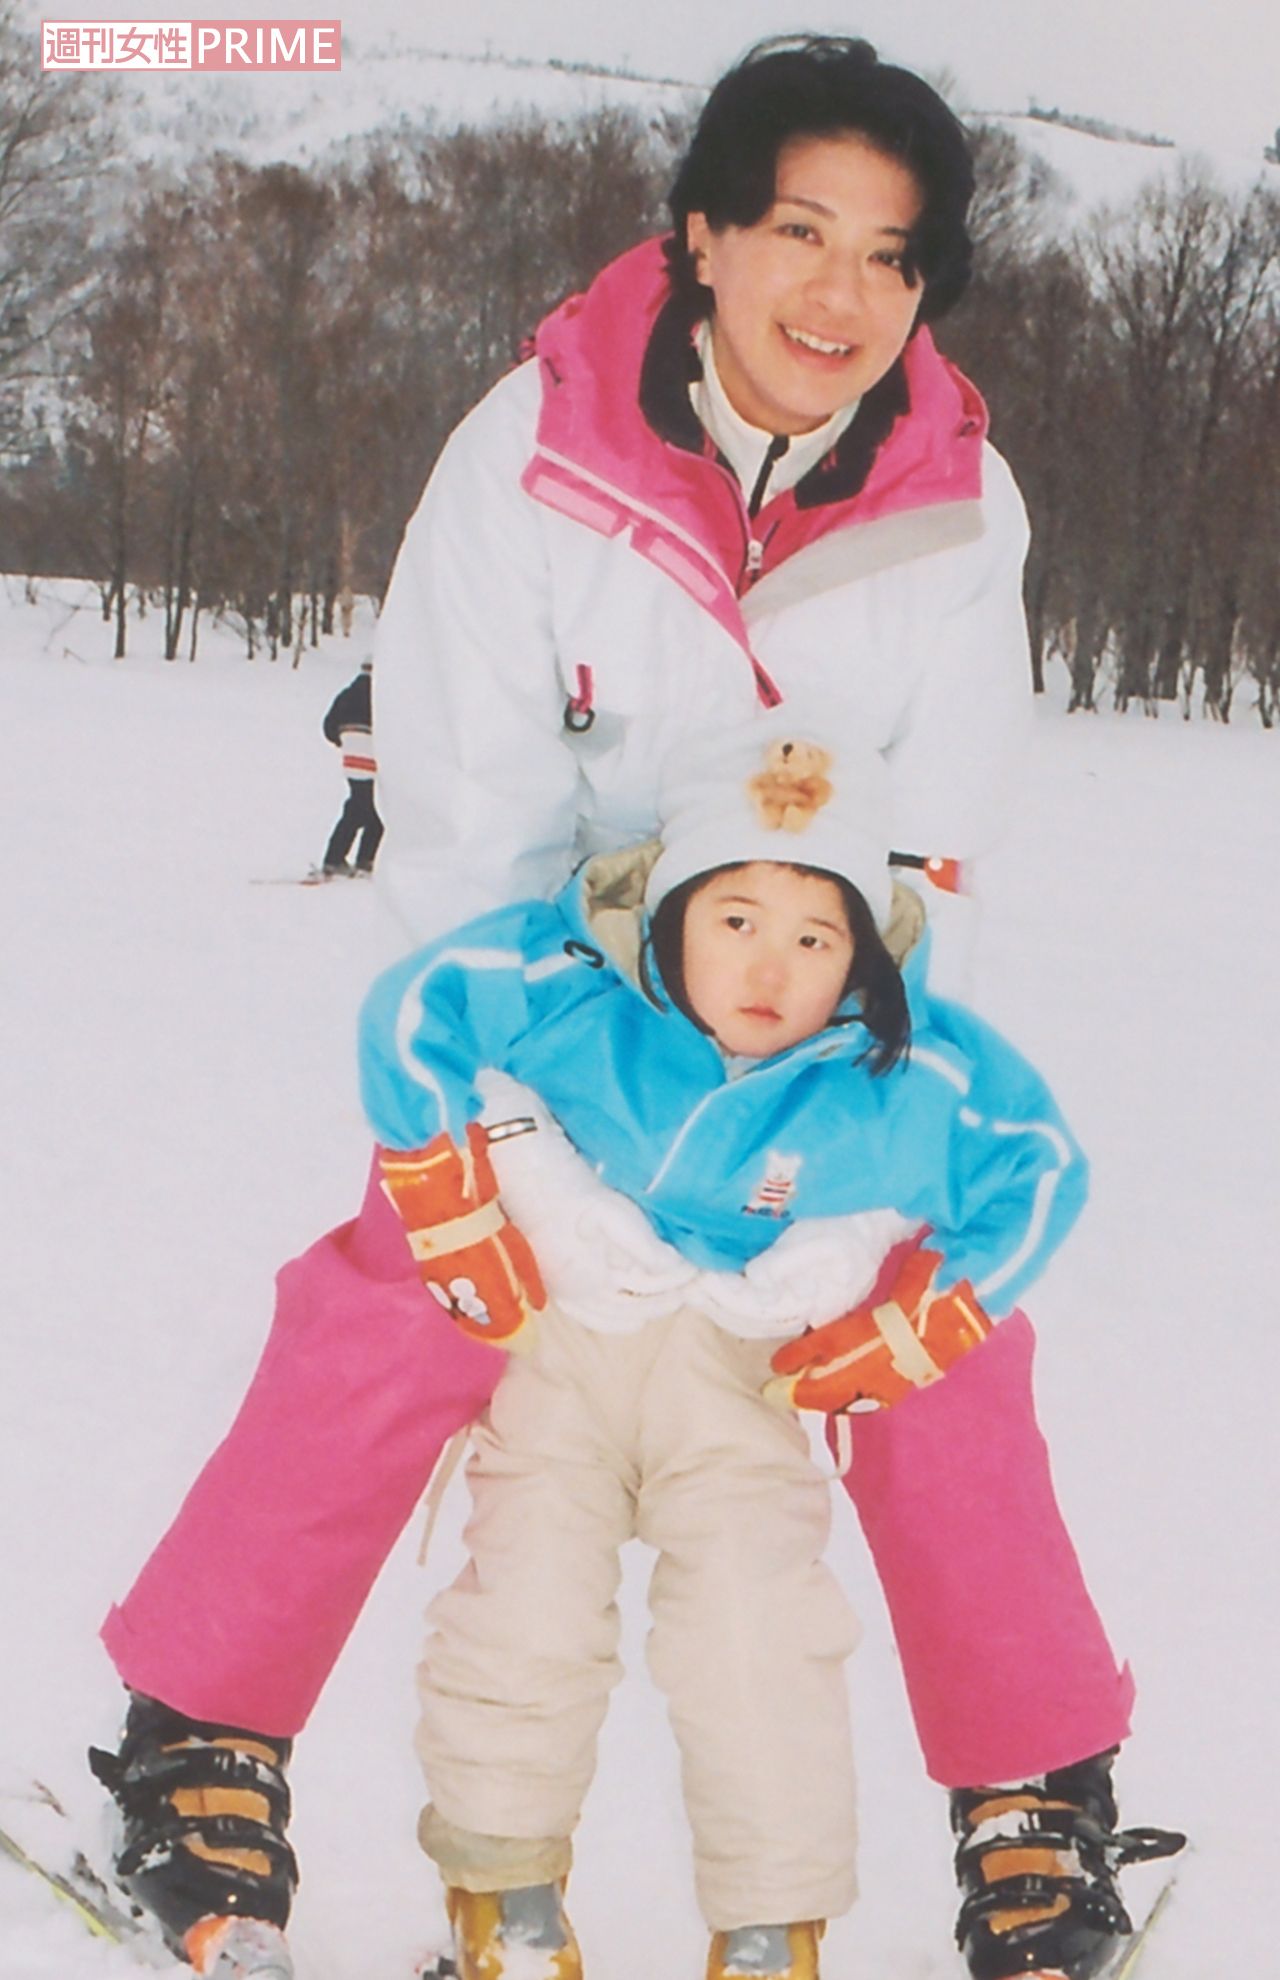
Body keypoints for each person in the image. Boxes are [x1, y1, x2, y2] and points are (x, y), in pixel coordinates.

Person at [91, 35, 1174, 1980]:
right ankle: (196, 1740)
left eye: (890, 257)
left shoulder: (956, 510)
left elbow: (930, 856)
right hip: (558, 1023)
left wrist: (855, 1146)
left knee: (941, 1336)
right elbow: (464, 820)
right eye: (796, 232)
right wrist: (521, 1137)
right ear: (700, 236)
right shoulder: (532, 459)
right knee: (395, 1294)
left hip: (819, 1026)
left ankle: (1034, 1793)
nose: (837, 295)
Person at [354, 715, 1148, 1980]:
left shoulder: (900, 1071)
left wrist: (922, 1318)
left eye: (814, 936)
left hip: (741, 1383)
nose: (769, 966)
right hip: (561, 1362)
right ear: (668, 910)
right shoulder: (574, 994)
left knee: (757, 1635)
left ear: (864, 956)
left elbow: (1038, 1167)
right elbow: (415, 1013)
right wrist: (448, 1187)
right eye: (734, 918)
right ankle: (500, 1888)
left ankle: (772, 1922)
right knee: (524, 1612)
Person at [319, 658, 383, 876]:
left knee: (359, 806)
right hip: (375, 760)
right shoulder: (382, 694)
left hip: (351, 762)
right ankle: (357, 859)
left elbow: (328, 727)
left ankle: (339, 858)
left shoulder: (346, 694)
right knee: (374, 810)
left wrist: (344, 740)